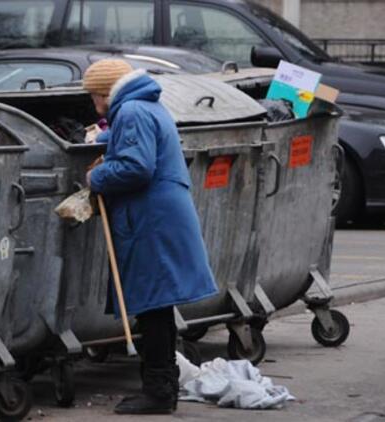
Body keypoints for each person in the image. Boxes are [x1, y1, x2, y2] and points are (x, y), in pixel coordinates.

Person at [83, 59, 218, 415]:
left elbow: (137, 166)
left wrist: (96, 178)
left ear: (104, 93)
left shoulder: (130, 111)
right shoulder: (145, 106)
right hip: (158, 215)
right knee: (156, 304)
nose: (94, 104)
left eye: (93, 96)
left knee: (153, 306)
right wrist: (105, 137)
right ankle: (161, 385)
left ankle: (159, 392)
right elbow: (138, 145)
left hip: (152, 219)